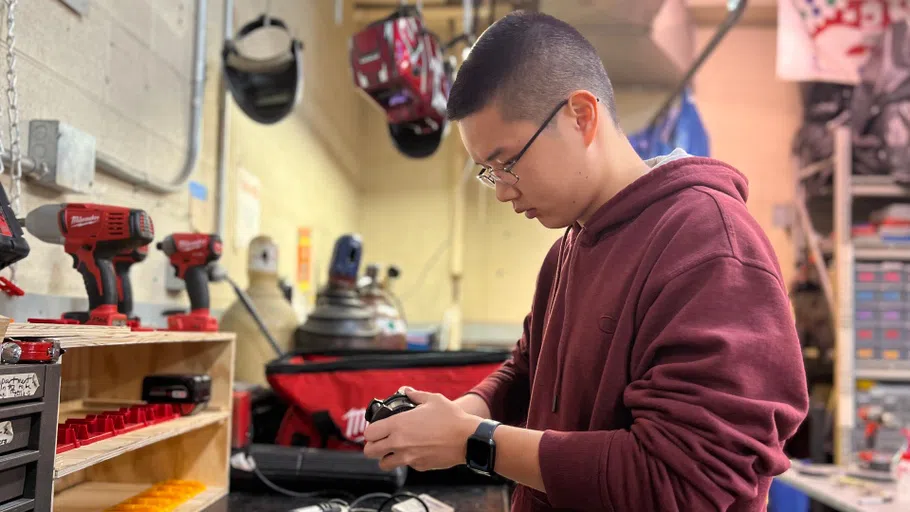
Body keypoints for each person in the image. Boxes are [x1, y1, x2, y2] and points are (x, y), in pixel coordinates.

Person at [362, 10, 809, 512]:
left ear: (581, 115)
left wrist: (475, 440)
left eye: (507, 162)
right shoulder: (568, 249)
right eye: (488, 172)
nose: (502, 191)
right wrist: (464, 410)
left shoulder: (709, 244)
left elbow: (681, 482)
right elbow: (529, 370)